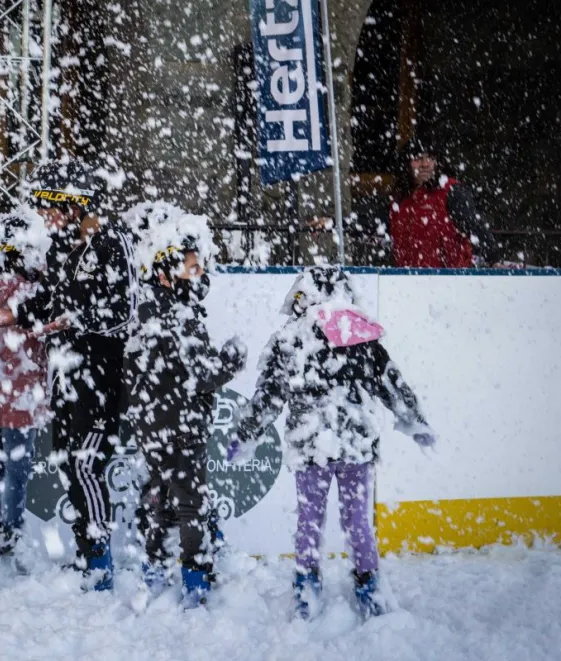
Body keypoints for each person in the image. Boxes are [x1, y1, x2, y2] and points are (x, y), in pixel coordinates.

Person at [227, 266, 435, 619]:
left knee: (310, 519)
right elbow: (391, 385)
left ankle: (307, 585)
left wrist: (245, 433)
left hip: (312, 447)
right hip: (355, 445)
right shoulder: (362, 337)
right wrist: (415, 420)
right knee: (358, 521)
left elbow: (269, 398)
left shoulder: (290, 340)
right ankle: (368, 584)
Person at [0, 160, 137, 592]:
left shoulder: (111, 242)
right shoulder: (64, 245)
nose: (44, 215)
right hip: (65, 373)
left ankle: (100, 560)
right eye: (42, 206)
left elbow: (122, 312)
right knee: (68, 463)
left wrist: (67, 320)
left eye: (50, 205)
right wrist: (17, 312)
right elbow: (51, 297)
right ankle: (87, 556)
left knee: (86, 466)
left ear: (75, 204)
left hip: (100, 375)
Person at [126, 232, 246, 610]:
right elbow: (201, 375)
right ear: (167, 274)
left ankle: (156, 567)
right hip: (182, 426)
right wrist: (232, 360)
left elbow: (136, 374)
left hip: (153, 425)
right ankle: (194, 577)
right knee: (191, 504)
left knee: (160, 498)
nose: (201, 273)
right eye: (193, 267)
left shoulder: (146, 309)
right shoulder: (180, 315)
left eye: (201, 266)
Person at [0, 211, 51, 572]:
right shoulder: (28, 287)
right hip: (18, 388)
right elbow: (43, 325)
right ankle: (9, 531)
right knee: (14, 467)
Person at [389, 136, 501, 268]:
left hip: (449, 280)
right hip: (407, 280)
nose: (425, 164)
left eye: (430, 158)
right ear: (407, 163)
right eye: (418, 159)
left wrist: (494, 260)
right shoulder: (400, 198)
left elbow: (476, 226)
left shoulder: (451, 191)